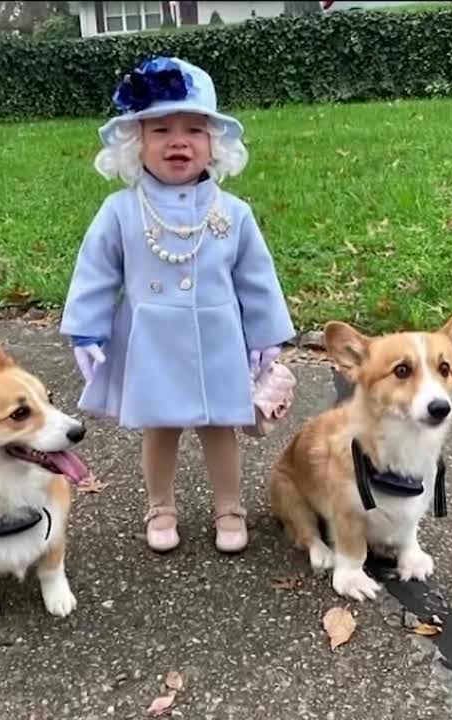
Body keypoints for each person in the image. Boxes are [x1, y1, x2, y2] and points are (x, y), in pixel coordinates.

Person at [60, 56, 296, 554]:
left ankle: (228, 506)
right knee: (159, 427)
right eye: (161, 129)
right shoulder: (121, 210)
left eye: (194, 129)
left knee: (220, 428)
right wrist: (87, 329)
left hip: (217, 338)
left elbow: (255, 277)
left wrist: (266, 335)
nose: (178, 141)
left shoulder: (233, 213)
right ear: (135, 143)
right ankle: (160, 505)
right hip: (151, 341)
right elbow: (97, 272)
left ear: (215, 144)